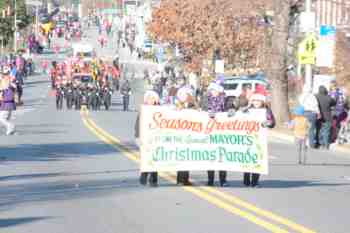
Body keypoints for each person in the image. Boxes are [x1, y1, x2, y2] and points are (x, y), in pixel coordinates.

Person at [244, 92, 275, 187]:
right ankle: (246, 180)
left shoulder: (266, 111)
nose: (256, 102)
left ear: (262, 102)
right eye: (254, 100)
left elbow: (272, 122)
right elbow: (238, 118)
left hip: (259, 139)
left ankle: (255, 181)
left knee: (257, 160)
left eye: (258, 101)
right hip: (247, 138)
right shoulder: (248, 110)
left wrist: (268, 123)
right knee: (247, 160)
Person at [135, 91, 160, 187]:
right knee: (146, 158)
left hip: (156, 138)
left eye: (153, 98)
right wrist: (137, 136)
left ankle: (153, 180)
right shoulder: (143, 110)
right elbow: (138, 124)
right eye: (149, 98)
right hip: (145, 137)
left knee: (155, 159)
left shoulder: (160, 109)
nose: (151, 100)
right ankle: (143, 176)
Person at [206, 82, 227, 187]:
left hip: (222, 133)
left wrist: (231, 111)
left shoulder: (226, 101)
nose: (214, 92)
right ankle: (210, 180)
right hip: (209, 133)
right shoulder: (205, 101)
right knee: (210, 157)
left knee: (222, 157)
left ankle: (223, 180)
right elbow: (199, 112)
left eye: (216, 90)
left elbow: (231, 112)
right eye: (212, 90)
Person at [175, 86, 197, 186]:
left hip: (190, 135)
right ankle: (180, 179)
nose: (185, 97)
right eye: (183, 95)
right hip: (179, 136)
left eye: (187, 95)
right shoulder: (176, 105)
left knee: (187, 158)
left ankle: (186, 179)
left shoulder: (193, 105)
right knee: (181, 158)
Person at [315, 86, 336, 150]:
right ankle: (326, 145)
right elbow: (334, 102)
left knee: (318, 130)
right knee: (326, 131)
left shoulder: (316, 97)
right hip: (328, 117)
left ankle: (318, 144)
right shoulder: (329, 98)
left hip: (319, 117)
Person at [0, 66, 17, 135]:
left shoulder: (7, 81)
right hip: (8, 102)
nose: (4, 75)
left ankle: (11, 127)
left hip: (7, 102)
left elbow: (3, 89)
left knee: (2, 118)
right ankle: (10, 130)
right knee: (6, 118)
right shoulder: (9, 80)